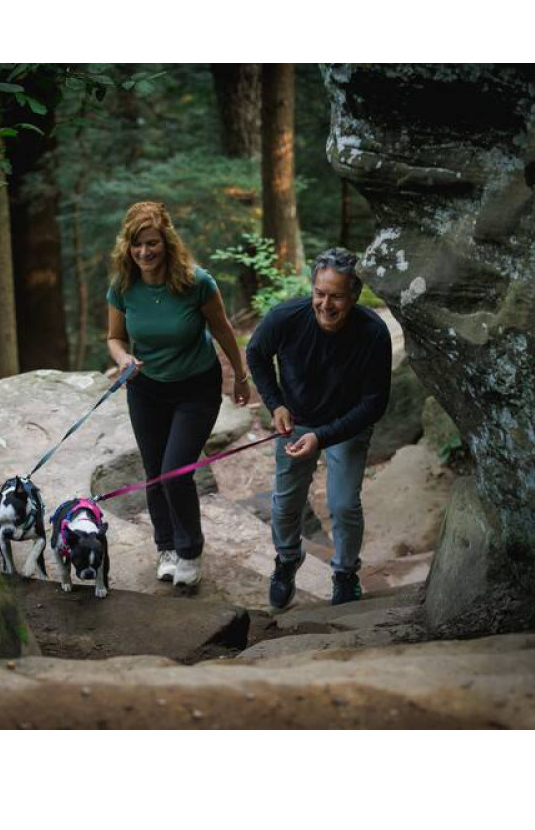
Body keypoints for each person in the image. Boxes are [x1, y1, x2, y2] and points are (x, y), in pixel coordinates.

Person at [106, 201, 250, 587]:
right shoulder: (123, 286)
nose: (144, 252)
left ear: (167, 242)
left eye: (152, 243)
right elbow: (115, 337)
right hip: (146, 391)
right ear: (127, 247)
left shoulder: (196, 282)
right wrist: (123, 358)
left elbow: (222, 328)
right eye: (137, 245)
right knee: (155, 473)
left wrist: (240, 375)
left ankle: (189, 550)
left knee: (175, 472)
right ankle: (166, 547)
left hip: (195, 389)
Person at [246, 247, 391, 608]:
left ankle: (345, 574)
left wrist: (323, 436)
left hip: (347, 425)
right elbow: (256, 354)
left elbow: (374, 403)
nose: (326, 304)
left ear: (354, 295)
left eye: (336, 296)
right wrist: (276, 404)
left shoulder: (373, 333)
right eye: (319, 293)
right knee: (286, 503)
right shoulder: (285, 318)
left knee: (343, 504)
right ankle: (287, 558)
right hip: (297, 421)